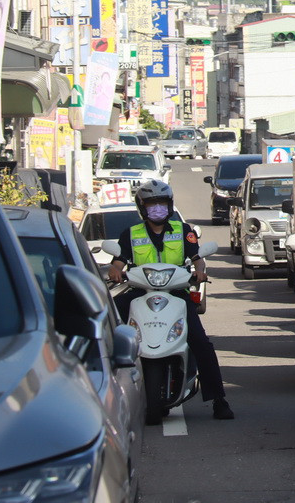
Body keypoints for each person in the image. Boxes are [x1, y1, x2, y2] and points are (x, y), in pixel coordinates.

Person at [108, 180, 235, 420]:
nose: (158, 208)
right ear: (142, 207)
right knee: (110, 326)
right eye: (152, 204)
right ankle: (108, 391)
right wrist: (114, 270)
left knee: (201, 342)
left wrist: (200, 270)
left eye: (162, 203)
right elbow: (119, 261)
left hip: (176, 293)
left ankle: (219, 400)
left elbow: (197, 258)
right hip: (140, 292)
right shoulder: (131, 233)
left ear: (170, 205)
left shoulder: (183, 230)